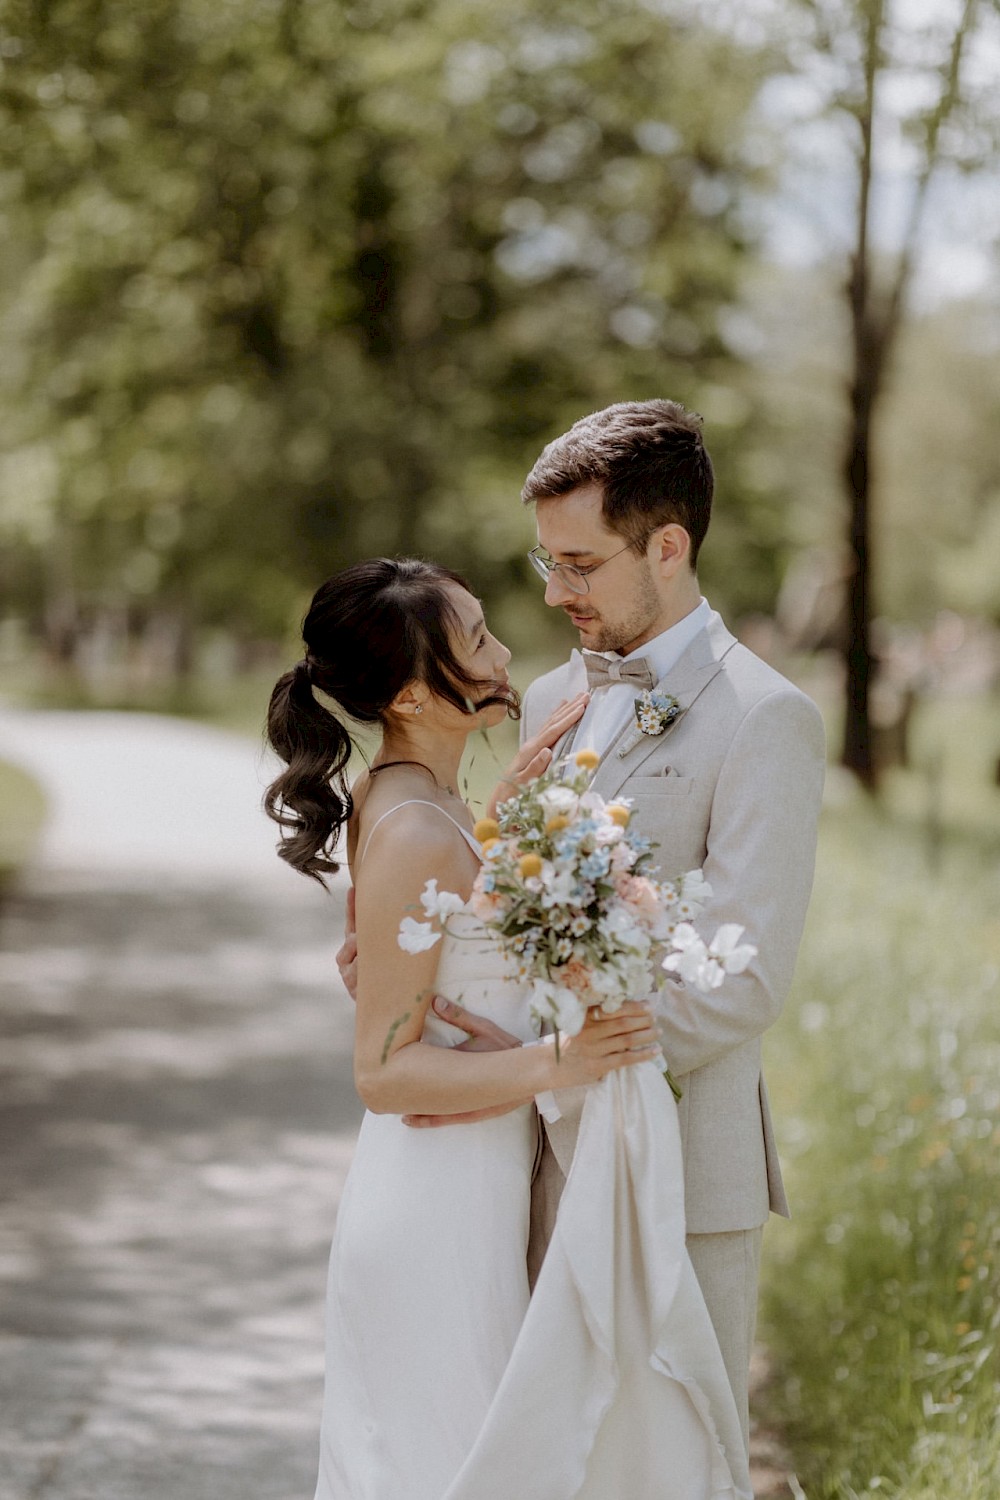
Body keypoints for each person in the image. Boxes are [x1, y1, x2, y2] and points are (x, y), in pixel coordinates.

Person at [268, 555, 753, 1500]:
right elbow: (384, 1075)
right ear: (412, 692)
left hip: (469, 1190)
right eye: (476, 642)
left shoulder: (419, 799)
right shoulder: (411, 825)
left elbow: (446, 950)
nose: (501, 654)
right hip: (433, 1210)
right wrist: (561, 1060)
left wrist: (498, 826)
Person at [395, 399, 827, 1456]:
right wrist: (420, 951)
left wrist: (575, 1066)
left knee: (675, 1461)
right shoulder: (551, 694)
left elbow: (742, 977)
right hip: (523, 1159)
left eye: (579, 564)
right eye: (545, 562)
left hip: (680, 1166)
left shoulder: (766, 717)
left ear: (667, 546)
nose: (553, 592)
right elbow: (513, 898)